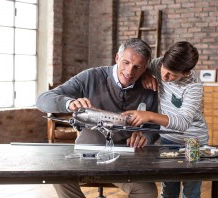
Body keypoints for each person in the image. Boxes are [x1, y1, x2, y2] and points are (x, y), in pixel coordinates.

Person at [36, 38, 159, 198]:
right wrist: (70, 103)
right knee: (59, 176)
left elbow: (155, 127)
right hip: (86, 154)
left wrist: (146, 136)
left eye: (137, 67)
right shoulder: (90, 77)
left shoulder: (150, 89)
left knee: (147, 192)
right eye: (126, 63)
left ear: (145, 69)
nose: (130, 71)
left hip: (125, 159)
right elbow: (42, 100)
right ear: (117, 58)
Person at [122, 41, 208, 198]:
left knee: (191, 191)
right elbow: (142, 67)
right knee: (168, 189)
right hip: (168, 139)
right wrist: (146, 74)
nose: (164, 76)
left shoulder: (194, 85)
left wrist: (149, 116)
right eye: (164, 70)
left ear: (186, 73)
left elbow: (182, 122)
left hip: (193, 141)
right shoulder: (158, 63)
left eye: (172, 75)